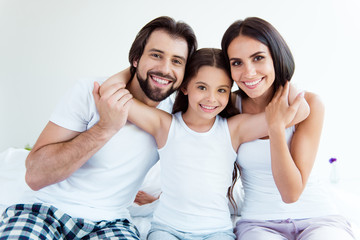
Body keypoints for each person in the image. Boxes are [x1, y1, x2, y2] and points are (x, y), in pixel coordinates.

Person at [0, 16, 197, 240]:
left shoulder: (178, 116)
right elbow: (35, 176)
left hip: (111, 222)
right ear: (135, 58)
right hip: (44, 210)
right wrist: (105, 128)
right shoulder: (89, 91)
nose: (165, 69)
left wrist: (160, 201)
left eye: (177, 61)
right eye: (156, 55)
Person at [101, 47, 307, 240]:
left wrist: (268, 73)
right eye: (202, 87)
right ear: (184, 86)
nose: (211, 98)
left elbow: (300, 109)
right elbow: (110, 92)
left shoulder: (233, 129)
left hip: (216, 232)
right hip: (167, 229)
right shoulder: (165, 125)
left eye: (222, 90)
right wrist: (135, 67)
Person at [221, 17, 356, 239]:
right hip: (259, 222)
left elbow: (291, 192)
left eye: (258, 58)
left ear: (276, 56)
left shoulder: (310, 104)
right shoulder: (227, 107)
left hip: (318, 216)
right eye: (237, 63)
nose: (249, 72)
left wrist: (276, 128)